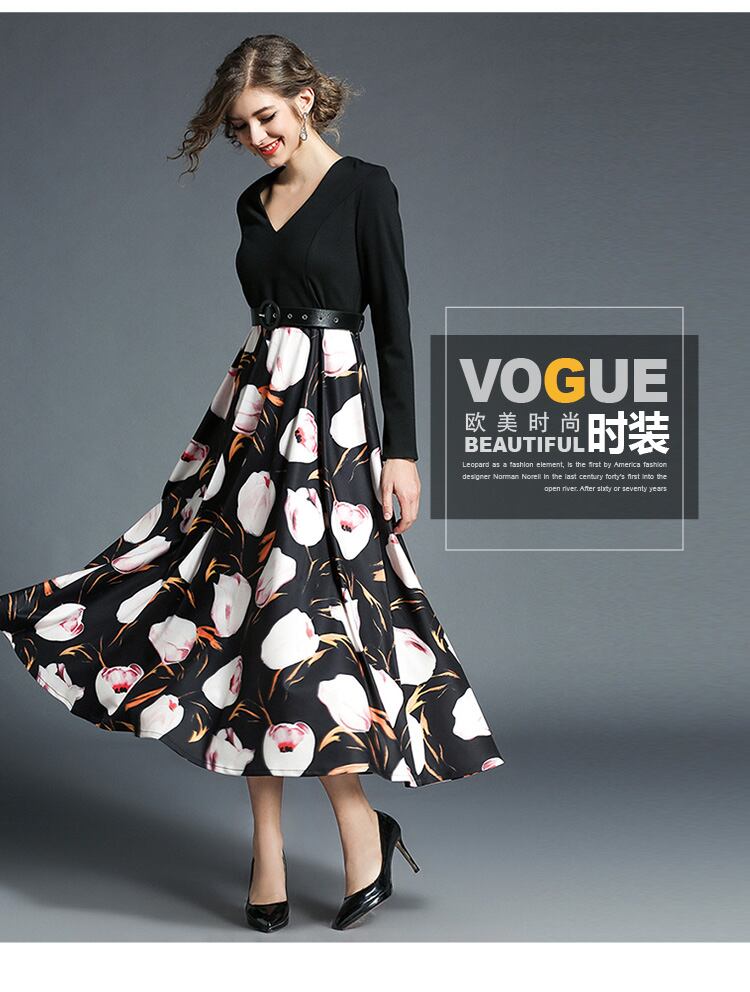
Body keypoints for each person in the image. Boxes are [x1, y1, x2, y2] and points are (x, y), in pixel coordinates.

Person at [0, 33, 504, 933]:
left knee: (307, 627)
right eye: (240, 129)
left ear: (305, 99)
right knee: (239, 624)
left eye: (265, 119)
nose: (256, 139)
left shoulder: (366, 189)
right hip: (253, 422)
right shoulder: (251, 203)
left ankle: (359, 826)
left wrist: (403, 452)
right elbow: (265, 323)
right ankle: (268, 848)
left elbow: (393, 328)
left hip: (334, 425)